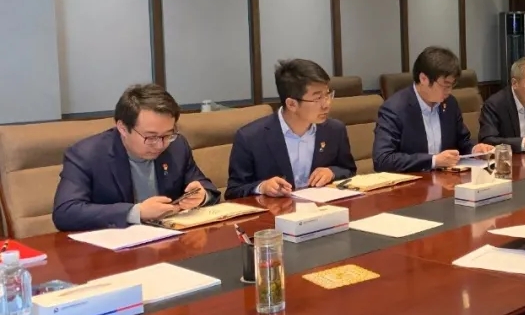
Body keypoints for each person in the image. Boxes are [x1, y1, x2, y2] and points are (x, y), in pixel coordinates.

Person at [52, 84, 219, 231]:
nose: (160, 145)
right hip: (115, 248)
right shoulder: (87, 154)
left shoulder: (177, 146)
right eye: (151, 137)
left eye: (168, 134)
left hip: (169, 240)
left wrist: (202, 196)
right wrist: (135, 212)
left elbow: (208, 188)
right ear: (123, 128)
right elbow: (65, 212)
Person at [226, 59, 355, 199]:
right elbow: (234, 191)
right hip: (277, 211)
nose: (326, 104)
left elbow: (349, 170)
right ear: (292, 104)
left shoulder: (335, 130)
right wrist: (262, 187)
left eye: (328, 94)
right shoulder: (250, 138)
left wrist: (332, 172)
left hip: (324, 208)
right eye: (318, 98)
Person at [372, 46, 494, 172]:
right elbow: (382, 159)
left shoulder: (450, 104)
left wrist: (475, 150)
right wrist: (433, 161)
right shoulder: (395, 109)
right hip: (413, 181)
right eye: (445, 85)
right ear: (423, 79)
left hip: (447, 179)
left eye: (452, 85)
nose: (449, 91)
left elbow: (462, 141)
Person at [479, 57, 525, 152]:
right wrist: (524, 143)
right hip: (509, 159)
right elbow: (488, 141)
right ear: (515, 83)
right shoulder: (495, 104)